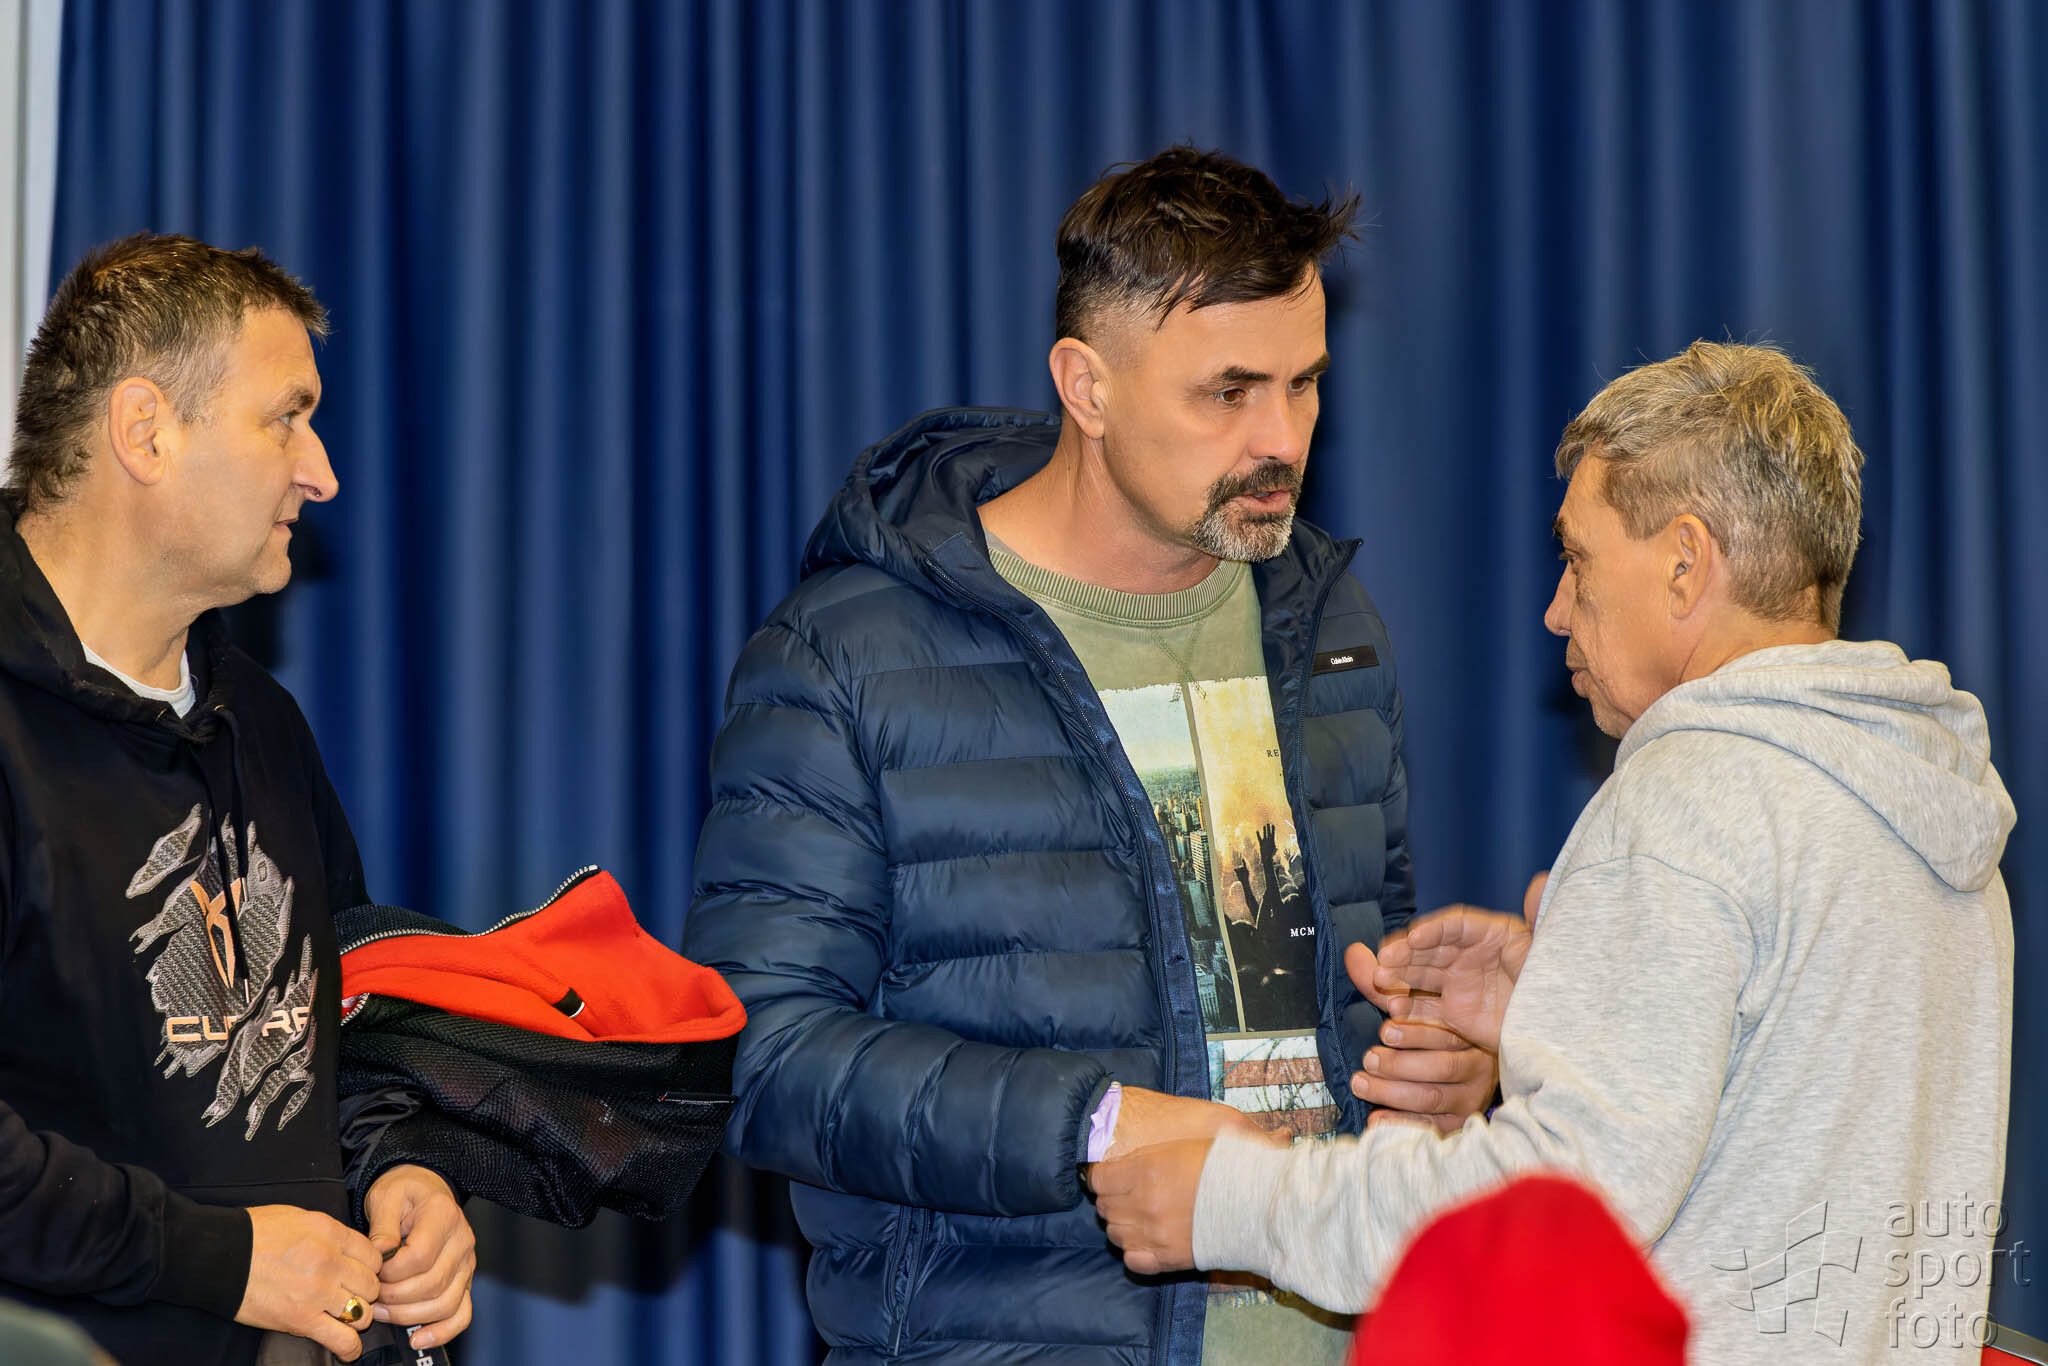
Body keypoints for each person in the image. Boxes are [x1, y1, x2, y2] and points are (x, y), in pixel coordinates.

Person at [684, 146, 1494, 1364]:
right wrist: (1093, 1124)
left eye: (1303, 384)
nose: (1280, 436)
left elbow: (1356, 981)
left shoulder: (1326, 624)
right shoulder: (847, 652)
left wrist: (1439, 1068)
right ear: (1086, 385)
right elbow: (756, 1052)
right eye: (1227, 392)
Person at [1091, 341, 2016, 1363]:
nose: (1555, 609)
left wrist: (1230, 1199)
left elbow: (1545, 1221)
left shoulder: (1691, 798)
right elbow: (1789, 1131)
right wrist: (1561, 1006)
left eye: (1577, 559)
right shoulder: (1926, 805)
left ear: (1684, 561)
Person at [0, 235, 477, 1364]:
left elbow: (349, 1009)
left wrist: (402, 1167)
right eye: (285, 419)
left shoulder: (261, 721)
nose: (322, 472)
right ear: (145, 432)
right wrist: (224, 1260)